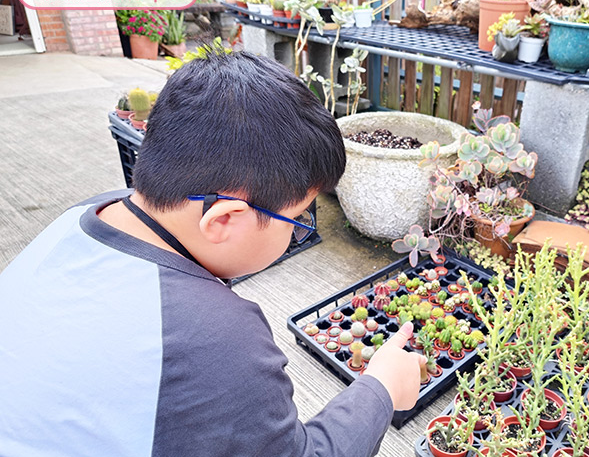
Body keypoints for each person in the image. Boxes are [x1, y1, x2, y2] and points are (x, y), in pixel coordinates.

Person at [0, 51, 425, 456]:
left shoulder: (86, 214)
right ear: (223, 219)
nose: (300, 234)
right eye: (298, 220)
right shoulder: (212, 337)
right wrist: (381, 388)